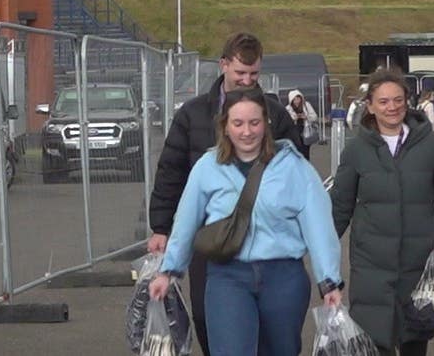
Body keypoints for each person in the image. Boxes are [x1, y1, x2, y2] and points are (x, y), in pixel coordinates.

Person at [148, 87, 343, 356]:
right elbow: (186, 221)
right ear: (225, 126)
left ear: (266, 124)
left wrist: (329, 280)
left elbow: (319, 227)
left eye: (254, 123)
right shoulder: (208, 166)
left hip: (283, 277)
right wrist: (168, 271)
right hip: (227, 276)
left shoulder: (295, 168)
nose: (247, 131)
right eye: (238, 123)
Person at [147, 31, 304, 354]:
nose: (247, 81)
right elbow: (171, 172)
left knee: (270, 323)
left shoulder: (275, 115)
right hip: (210, 235)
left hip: (267, 235)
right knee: (207, 317)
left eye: (254, 74)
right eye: (240, 73)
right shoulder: (192, 115)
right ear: (223, 66)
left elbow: (298, 171)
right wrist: (161, 226)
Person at [330, 70, 434, 356]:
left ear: (407, 101)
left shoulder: (432, 144)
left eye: (398, 100)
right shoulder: (356, 150)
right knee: (376, 344)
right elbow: (340, 206)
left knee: (414, 341)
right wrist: (322, 256)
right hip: (370, 267)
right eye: (384, 101)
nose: (392, 107)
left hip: (417, 263)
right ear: (371, 105)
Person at [286, 88, 315, 159]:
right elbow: (286, 121)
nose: (296, 101)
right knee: (296, 151)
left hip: (305, 132)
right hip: (294, 134)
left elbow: (314, 117)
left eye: (298, 98)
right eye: (294, 99)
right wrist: (294, 118)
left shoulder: (306, 105)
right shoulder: (288, 108)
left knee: (305, 152)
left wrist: (306, 117)